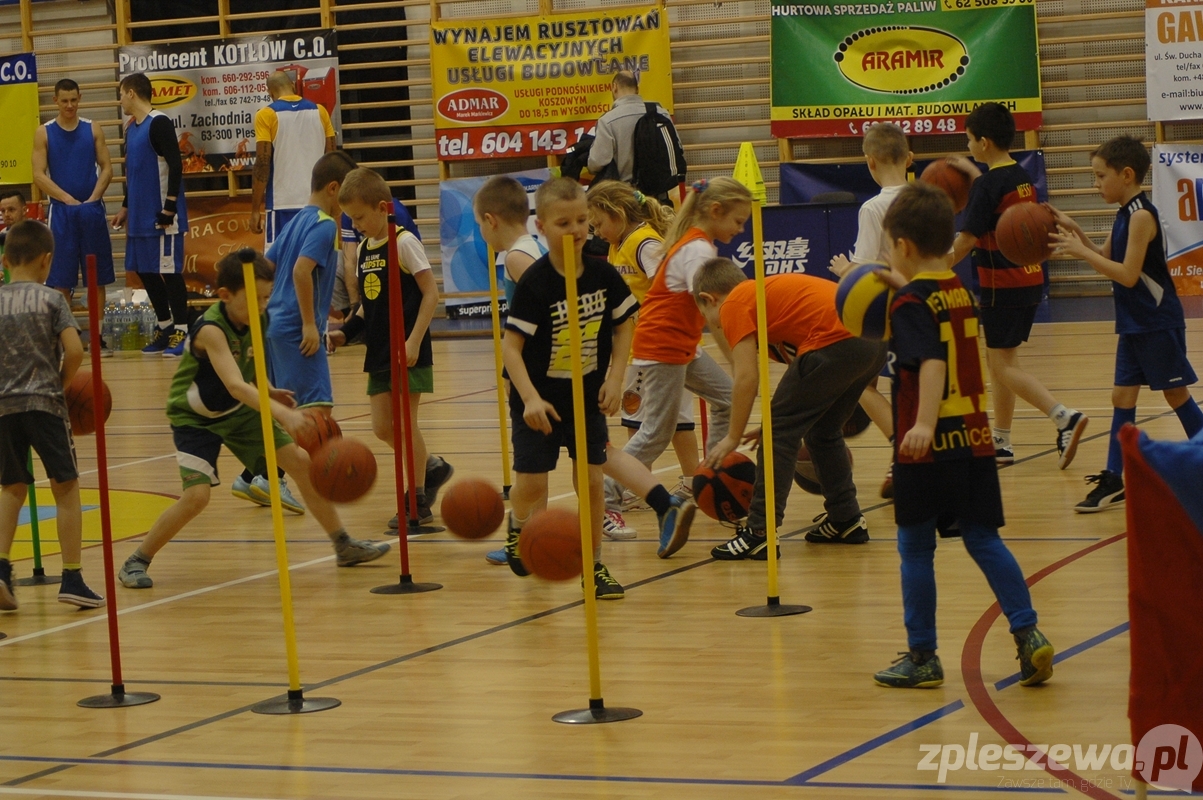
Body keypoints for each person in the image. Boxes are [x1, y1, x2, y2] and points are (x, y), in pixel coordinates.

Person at [117, 251, 389, 589]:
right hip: (195, 418)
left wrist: (269, 389)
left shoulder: (258, 318)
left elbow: (250, 366)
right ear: (225, 295)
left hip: (238, 411)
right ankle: (137, 559)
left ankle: (343, 544)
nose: (263, 305)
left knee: (301, 462)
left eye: (266, 297)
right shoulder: (211, 330)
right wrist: (283, 413)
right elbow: (234, 384)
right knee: (197, 497)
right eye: (255, 298)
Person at [872, 182, 1053, 689]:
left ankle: (923, 656)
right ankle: (1029, 634)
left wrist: (924, 424)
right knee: (984, 539)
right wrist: (890, 281)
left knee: (915, 548)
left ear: (903, 245)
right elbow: (930, 313)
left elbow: (931, 359)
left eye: (890, 248)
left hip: (927, 445)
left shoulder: (909, 303)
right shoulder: (957, 289)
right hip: (974, 440)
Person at [499, 178, 692, 598]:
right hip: (539, 398)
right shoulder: (535, 282)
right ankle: (518, 526)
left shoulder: (603, 274)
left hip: (586, 395)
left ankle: (594, 565)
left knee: (590, 480)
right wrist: (529, 398)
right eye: (563, 223)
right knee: (531, 485)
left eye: (582, 220)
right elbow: (511, 348)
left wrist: (615, 377)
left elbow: (624, 325)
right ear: (540, 226)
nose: (575, 230)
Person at [1050, 136, 1203, 513]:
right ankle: (1114, 478)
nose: (1096, 184)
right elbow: (1104, 256)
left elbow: (1128, 274)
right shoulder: (1123, 214)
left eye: (1101, 176)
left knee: (1175, 395)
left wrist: (1081, 251)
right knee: (1122, 397)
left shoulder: (1141, 216)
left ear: (1127, 174)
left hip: (1156, 322)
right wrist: (1077, 232)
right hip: (1134, 324)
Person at [695, 259, 884, 558]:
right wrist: (775, 424)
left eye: (706, 317)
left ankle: (759, 533)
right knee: (822, 431)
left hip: (837, 341)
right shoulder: (763, 299)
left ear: (709, 298)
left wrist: (733, 436)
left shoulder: (734, 302)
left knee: (779, 434)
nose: (714, 325)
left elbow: (746, 378)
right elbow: (803, 390)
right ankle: (845, 518)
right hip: (873, 342)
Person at [948, 102, 1087, 468]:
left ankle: (1064, 417)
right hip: (1029, 279)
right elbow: (999, 202)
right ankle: (1002, 441)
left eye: (970, 140)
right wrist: (973, 174)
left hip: (1000, 286)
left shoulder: (987, 185)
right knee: (1002, 362)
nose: (968, 146)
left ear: (984, 142)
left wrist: (930, 268)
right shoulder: (1020, 176)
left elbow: (966, 241)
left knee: (1002, 367)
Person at [229, 151, 357, 514]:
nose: (349, 206)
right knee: (317, 410)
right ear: (334, 189)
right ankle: (268, 477)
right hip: (295, 328)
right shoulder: (325, 225)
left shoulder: (298, 219)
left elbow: (266, 265)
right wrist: (309, 323)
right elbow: (301, 271)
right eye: (347, 195)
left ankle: (252, 475)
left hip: (274, 323)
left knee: (284, 406)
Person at [328, 168, 453, 529]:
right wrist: (346, 332)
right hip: (379, 351)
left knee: (404, 424)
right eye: (350, 220)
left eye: (359, 218)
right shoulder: (365, 248)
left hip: (408, 349)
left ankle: (417, 501)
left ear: (383, 208)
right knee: (383, 427)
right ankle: (430, 466)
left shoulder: (404, 243)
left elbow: (431, 294)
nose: (356, 226)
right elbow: (369, 304)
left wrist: (414, 340)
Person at [0, 220, 104, 610]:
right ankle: (72, 577)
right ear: (47, 261)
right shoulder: (51, 300)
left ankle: (1, 570)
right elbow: (75, 350)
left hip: (4, 407)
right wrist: (60, 384)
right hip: (45, 403)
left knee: (11, 487)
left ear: (5, 261)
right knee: (66, 488)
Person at [586, 180, 696, 529]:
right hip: (644, 347)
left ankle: (672, 482)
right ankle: (657, 483)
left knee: (654, 421)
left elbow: (669, 287)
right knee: (661, 420)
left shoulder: (644, 243)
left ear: (617, 213)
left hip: (655, 346)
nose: (597, 232)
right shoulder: (617, 245)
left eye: (598, 223)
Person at [620, 178, 746, 480]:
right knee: (656, 432)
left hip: (683, 345)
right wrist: (736, 361)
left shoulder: (698, 244)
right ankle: (607, 494)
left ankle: (711, 479)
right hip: (663, 345)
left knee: (729, 400)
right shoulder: (697, 250)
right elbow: (712, 311)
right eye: (738, 221)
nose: (741, 229)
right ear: (715, 210)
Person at [830, 122, 908, 499]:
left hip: (886, 308)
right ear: (910, 158)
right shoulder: (928, 197)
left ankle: (903, 452)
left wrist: (844, 269)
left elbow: (863, 271)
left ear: (870, 161)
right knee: (913, 387)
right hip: (928, 301)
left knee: (861, 382)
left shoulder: (873, 207)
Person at [111, 72, 191, 358]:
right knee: (145, 270)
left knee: (169, 271)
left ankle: (183, 330)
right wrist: (125, 206)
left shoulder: (159, 122)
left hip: (161, 214)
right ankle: (165, 326)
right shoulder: (131, 128)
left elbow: (176, 166)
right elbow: (135, 173)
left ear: (132, 93)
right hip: (139, 214)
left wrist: (169, 207)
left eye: (122, 94)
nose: (120, 100)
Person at [33, 79, 116, 306]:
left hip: (91, 209)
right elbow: (38, 175)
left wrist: (94, 198)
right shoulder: (44, 132)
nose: (69, 105)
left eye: (73, 100)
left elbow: (107, 168)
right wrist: (66, 198)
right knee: (61, 279)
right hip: (61, 212)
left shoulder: (92, 128)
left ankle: (99, 329)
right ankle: (65, 328)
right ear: (55, 101)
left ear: (79, 98)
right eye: (64, 101)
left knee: (97, 278)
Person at [251, 71, 336, 246]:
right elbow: (333, 160)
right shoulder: (320, 112)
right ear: (293, 85)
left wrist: (255, 209)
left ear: (270, 92)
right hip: (318, 203)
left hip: (282, 203)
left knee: (279, 260)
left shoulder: (266, 115)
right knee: (315, 259)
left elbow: (262, 164)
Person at [587, 71, 670, 186]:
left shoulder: (607, 121)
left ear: (614, 87)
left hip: (625, 192)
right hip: (659, 190)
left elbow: (596, 163)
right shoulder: (662, 113)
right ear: (637, 89)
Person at [473, 175, 544, 307]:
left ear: (490, 221)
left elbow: (548, 306)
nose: (480, 230)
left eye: (479, 224)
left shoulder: (516, 257)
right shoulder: (533, 247)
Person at [0, 191, 27, 285]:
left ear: (24, 210)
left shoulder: (39, 232)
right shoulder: (2, 236)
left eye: (11, 209)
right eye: (3, 211)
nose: (6, 214)